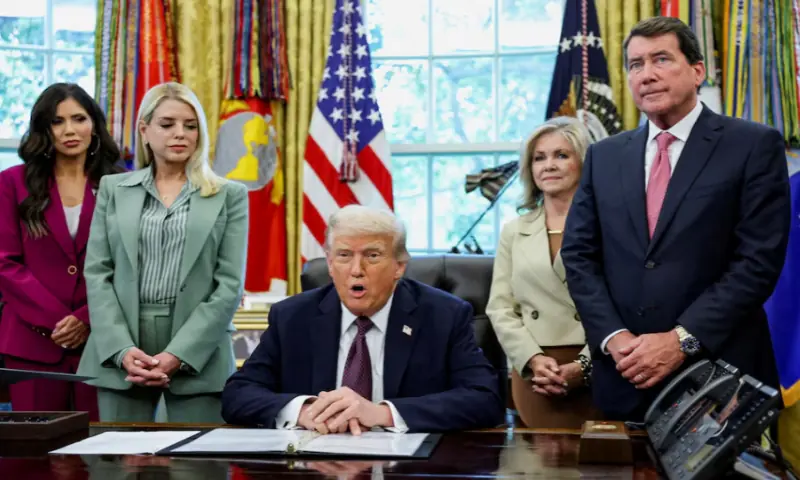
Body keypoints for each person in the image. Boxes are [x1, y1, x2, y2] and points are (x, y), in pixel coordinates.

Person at [561, 17, 790, 420]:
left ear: (697, 70)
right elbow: (579, 256)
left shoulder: (753, 144)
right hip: (623, 375)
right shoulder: (604, 156)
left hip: (719, 378)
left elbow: (757, 262)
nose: (646, 75)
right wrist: (615, 339)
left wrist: (680, 340)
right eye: (635, 64)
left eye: (661, 59)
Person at [221, 205, 504, 433]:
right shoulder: (292, 317)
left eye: (372, 255)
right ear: (330, 264)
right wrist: (304, 411)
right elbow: (238, 394)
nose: (356, 270)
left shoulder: (444, 315)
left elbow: (485, 399)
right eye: (344, 256)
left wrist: (381, 413)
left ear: (399, 266)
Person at [77, 82, 249, 423]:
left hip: (200, 351)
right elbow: (97, 273)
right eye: (167, 124)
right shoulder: (113, 189)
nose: (180, 134)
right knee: (116, 467)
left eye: (190, 125)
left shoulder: (229, 195)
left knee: (197, 468)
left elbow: (229, 285)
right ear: (144, 130)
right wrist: (122, 350)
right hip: (121, 349)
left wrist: (178, 354)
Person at [0, 83, 122, 419]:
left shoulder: (120, 184)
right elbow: (4, 263)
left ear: (94, 125)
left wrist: (86, 318)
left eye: (79, 118)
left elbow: (129, 265)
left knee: (99, 455)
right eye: (57, 121)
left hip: (103, 342)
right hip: (31, 344)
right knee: (33, 457)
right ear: (44, 129)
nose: (69, 130)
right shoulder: (11, 183)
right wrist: (59, 321)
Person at [486, 116, 602, 429]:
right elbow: (500, 307)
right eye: (539, 158)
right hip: (534, 372)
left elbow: (625, 307)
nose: (548, 165)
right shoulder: (514, 231)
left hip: (598, 367)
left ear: (584, 162)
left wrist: (584, 366)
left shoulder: (610, 226)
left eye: (561, 155)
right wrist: (533, 360)